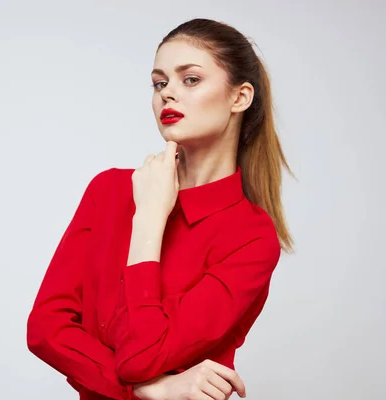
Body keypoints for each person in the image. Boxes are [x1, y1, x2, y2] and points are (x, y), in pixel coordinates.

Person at [26, 18, 293, 400]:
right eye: (159, 83)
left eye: (191, 79)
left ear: (240, 97)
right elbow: (45, 330)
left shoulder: (251, 238)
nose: (167, 94)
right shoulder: (111, 190)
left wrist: (149, 220)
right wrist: (156, 390)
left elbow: (140, 356)